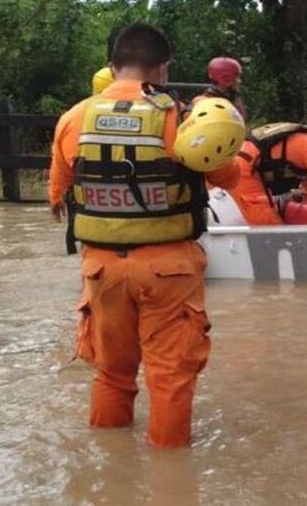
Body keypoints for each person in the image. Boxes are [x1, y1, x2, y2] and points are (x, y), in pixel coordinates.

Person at [48, 23, 243, 449]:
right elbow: (229, 174)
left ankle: (111, 466)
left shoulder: (73, 118)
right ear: (163, 68)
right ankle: (170, 479)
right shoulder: (180, 117)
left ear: (112, 65)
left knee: (111, 373)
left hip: (101, 269)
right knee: (170, 377)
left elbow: (57, 192)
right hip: (168, 270)